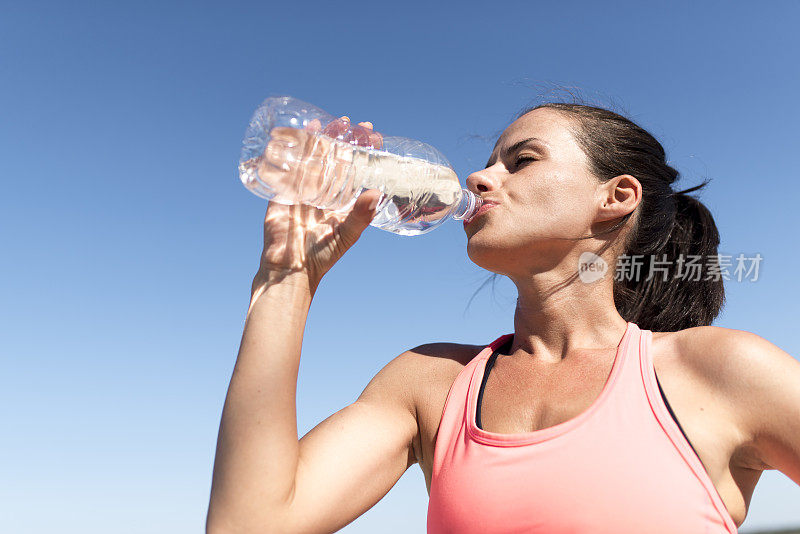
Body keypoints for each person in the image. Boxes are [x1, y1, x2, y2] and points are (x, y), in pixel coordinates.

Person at [206, 105, 800, 533]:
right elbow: (250, 523)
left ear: (616, 197)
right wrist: (287, 277)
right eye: (490, 162)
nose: (479, 177)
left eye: (522, 160)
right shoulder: (429, 384)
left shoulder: (720, 371)